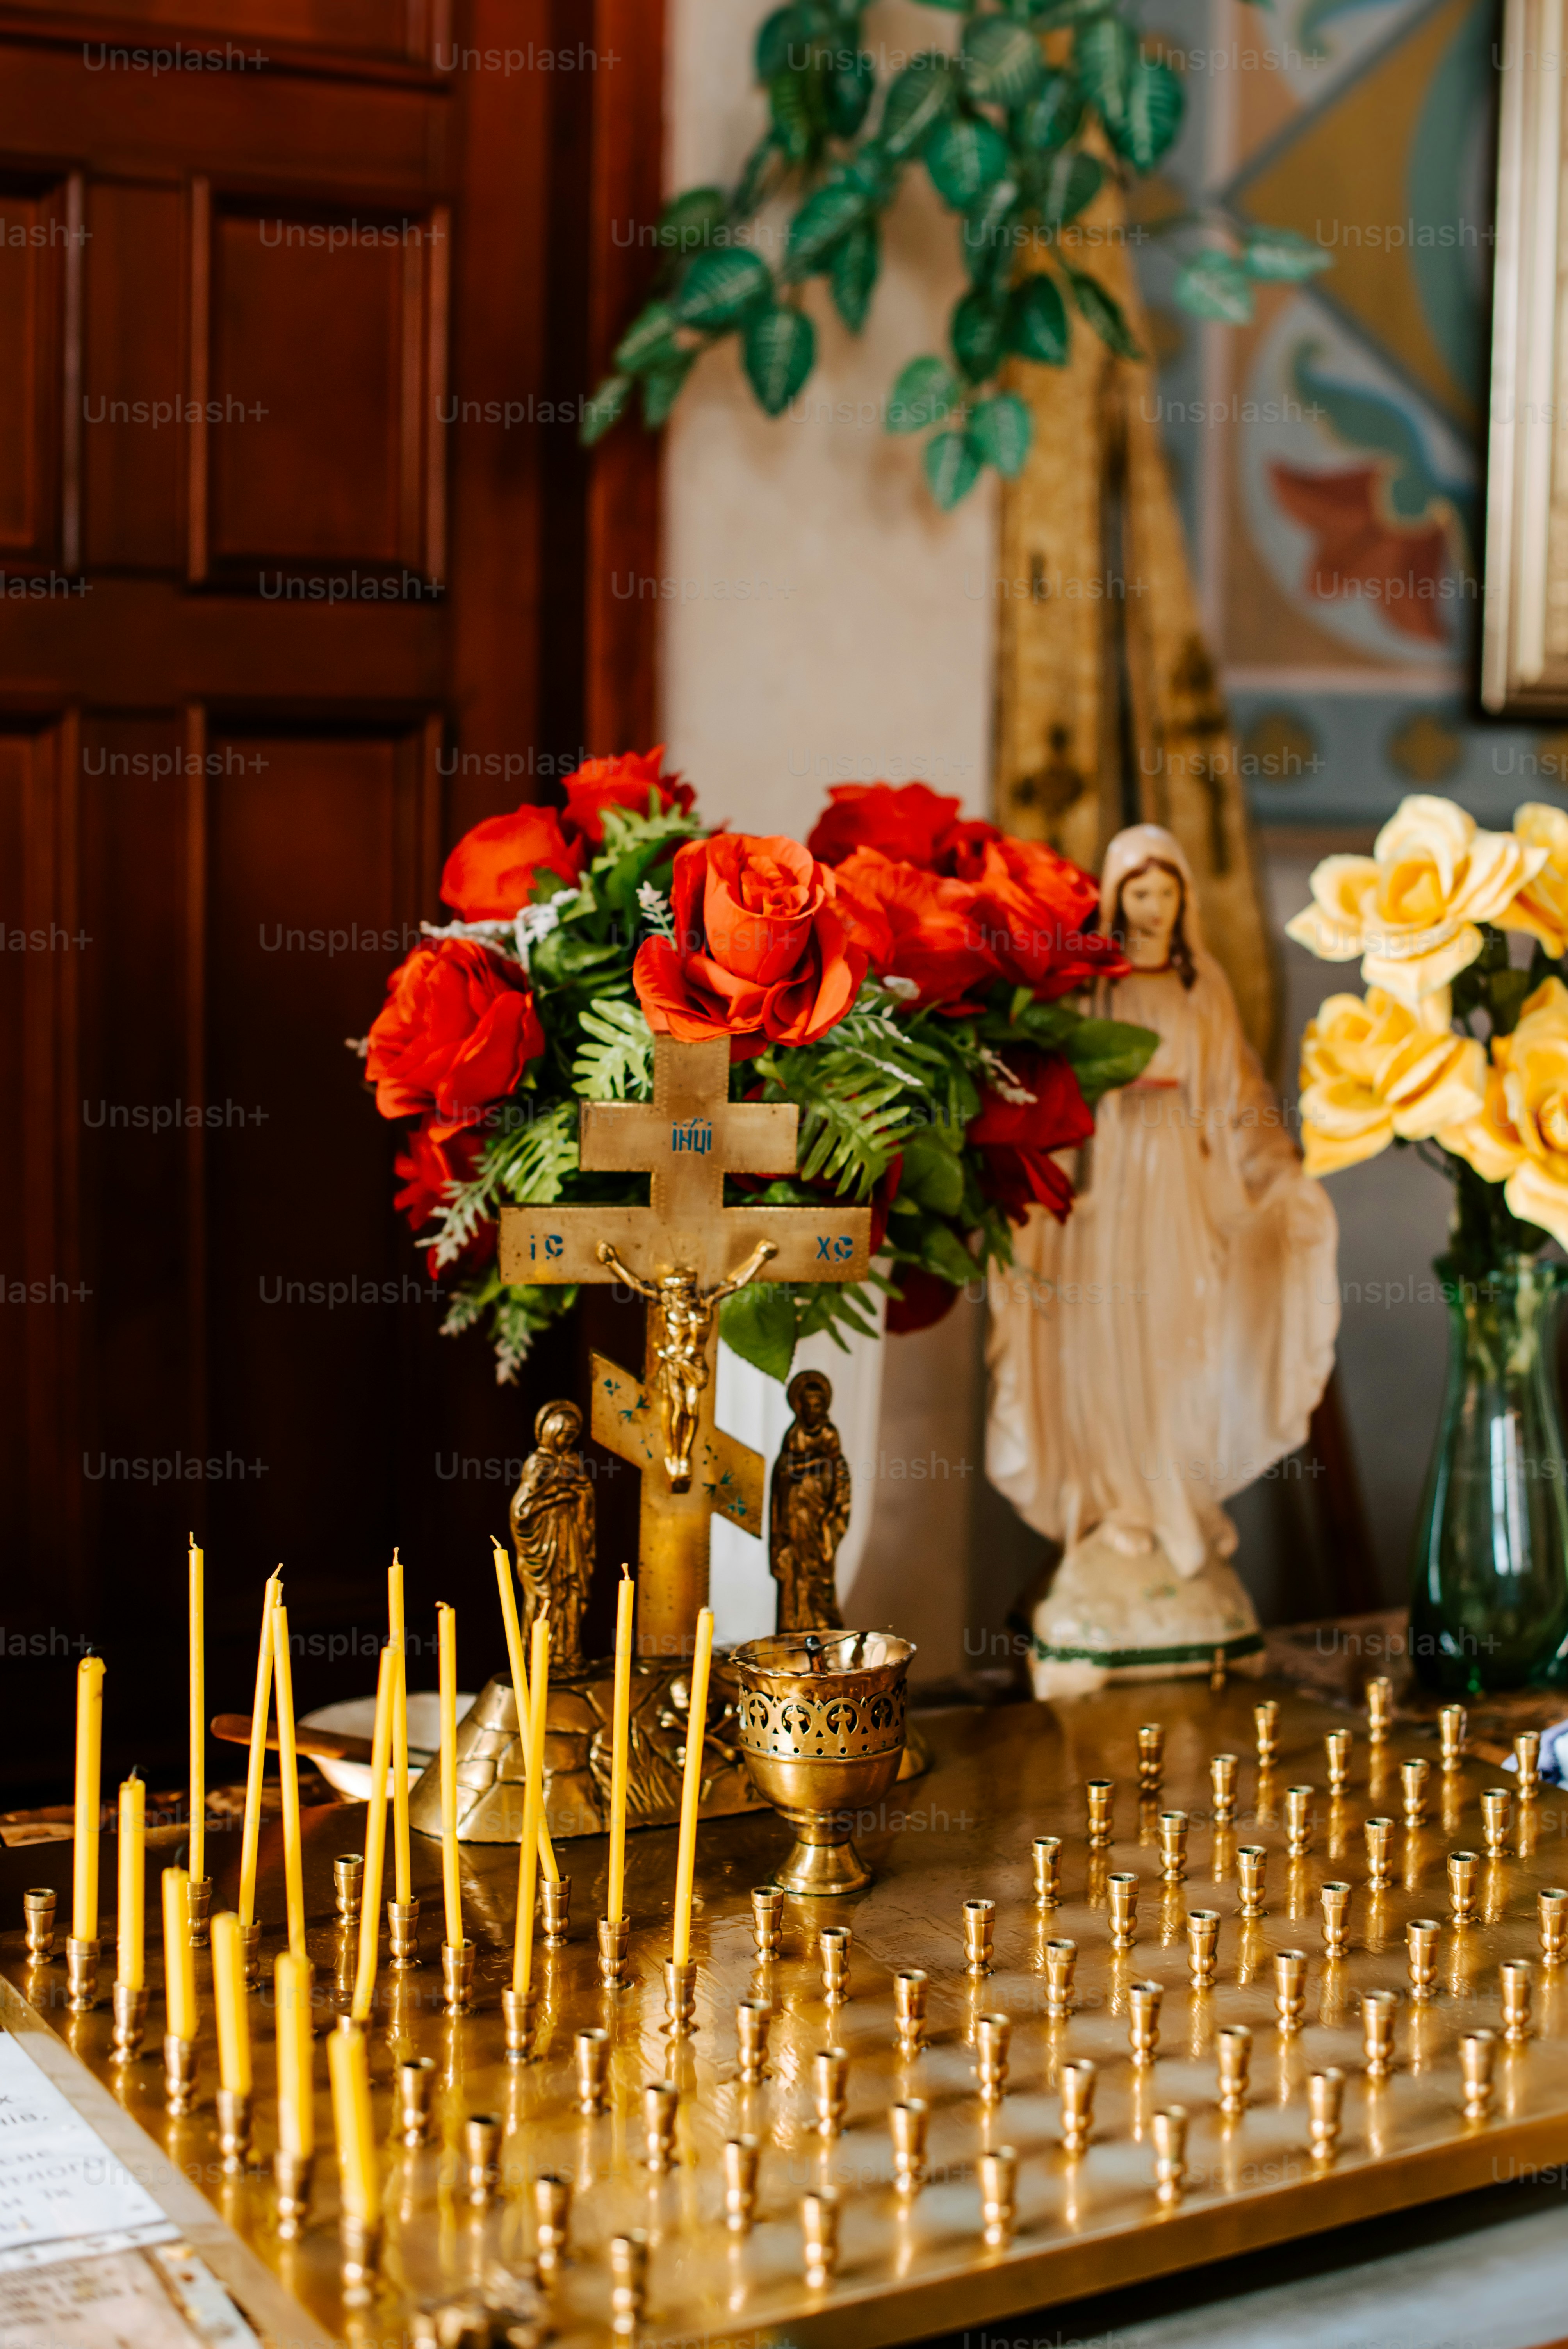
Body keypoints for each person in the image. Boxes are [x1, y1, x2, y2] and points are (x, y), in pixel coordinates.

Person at [985, 823, 1339, 1693]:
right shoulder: (1090, 987)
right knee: (1102, 1354)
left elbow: (1241, 1097)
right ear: (1115, 899)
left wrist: (1276, 1175)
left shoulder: (1200, 985)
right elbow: (1052, 1091)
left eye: (1165, 892)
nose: (1152, 906)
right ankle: (1116, 1513)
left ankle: (1174, 1505)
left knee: (1182, 1352)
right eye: (1138, 892)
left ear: (1183, 901)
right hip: (1105, 1195)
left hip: (1181, 1194)